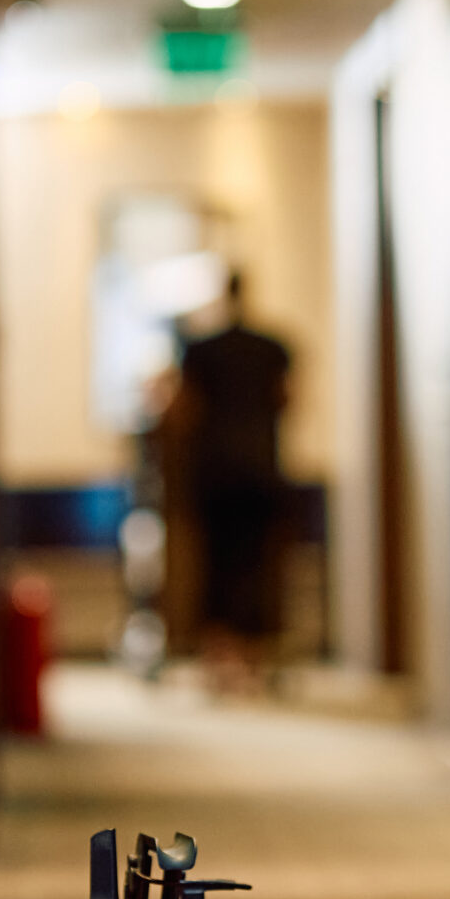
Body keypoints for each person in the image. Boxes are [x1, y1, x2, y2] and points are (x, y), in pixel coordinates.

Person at [175, 274, 292, 690]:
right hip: (261, 469)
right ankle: (253, 659)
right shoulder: (273, 349)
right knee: (257, 566)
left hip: (215, 472)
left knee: (216, 565)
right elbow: (286, 400)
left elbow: (184, 409)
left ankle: (220, 657)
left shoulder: (200, 351)